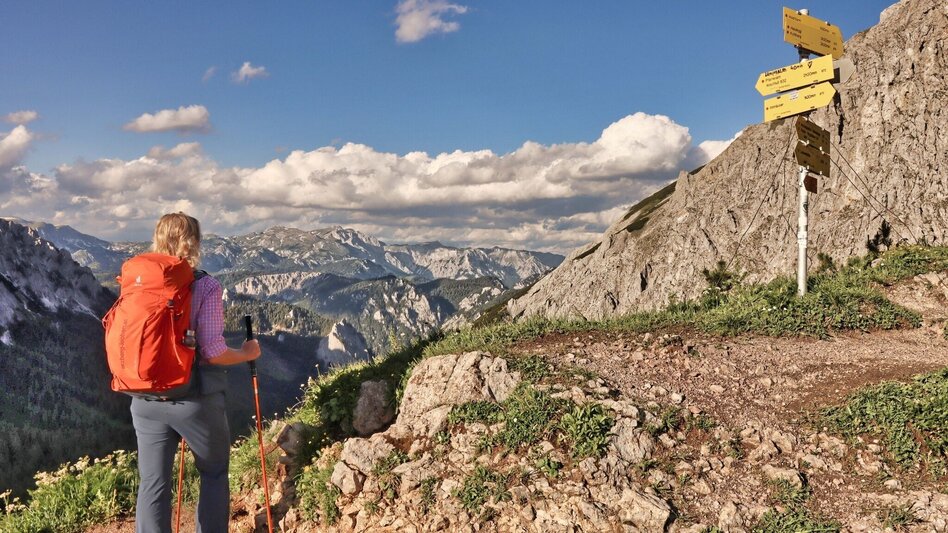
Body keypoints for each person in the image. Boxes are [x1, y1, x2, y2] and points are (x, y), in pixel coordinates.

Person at [131, 212, 261, 533]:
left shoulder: (137, 283)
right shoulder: (205, 285)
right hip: (194, 399)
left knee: (152, 483)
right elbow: (214, 352)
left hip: (145, 398)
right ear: (194, 242)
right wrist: (247, 353)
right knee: (214, 472)